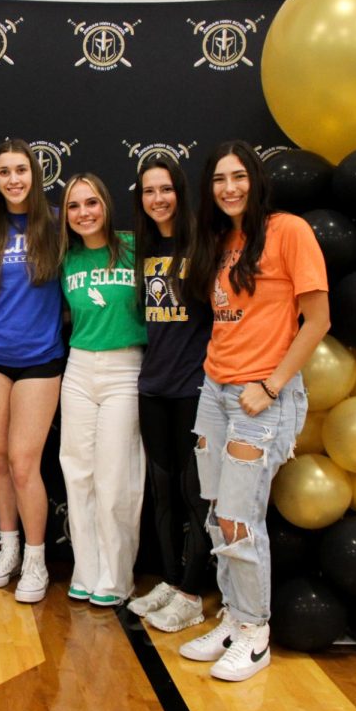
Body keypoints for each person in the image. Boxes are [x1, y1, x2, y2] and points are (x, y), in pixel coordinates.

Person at [178, 140, 329, 682]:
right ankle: (232, 618)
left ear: (256, 180)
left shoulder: (288, 230)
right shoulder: (223, 239)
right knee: (219, 514)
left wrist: (271, 385)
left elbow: (317, 320)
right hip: (215, 391)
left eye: (238, 177)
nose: (229, 188)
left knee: (242, 518)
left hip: (259, 397)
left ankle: (255, 632)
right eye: (219, 180)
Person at [125, 156, 214, 633]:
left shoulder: (205, 244)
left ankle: (192, 593)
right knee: (161, 491)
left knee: (194, 492)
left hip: (194, 388)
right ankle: (170, 579)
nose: (157, 199)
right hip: (152, 385)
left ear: (180, 191)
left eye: (165, 189)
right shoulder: (142, 247)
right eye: (147, 191)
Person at [0, 139, 64, 603]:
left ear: (35, 174)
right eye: (4, 171)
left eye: (21, 170)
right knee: (1, 459)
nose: (13, 179)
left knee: (26, 463)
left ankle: (35, 558)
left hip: (40, 361)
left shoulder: (54, 220)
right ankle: (7, 548)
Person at [57, 173, 147, 608]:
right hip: (78, 367)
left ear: (106, 206)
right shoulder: (66, 258)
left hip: (125, 367)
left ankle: (117, 576)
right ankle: (86, 571)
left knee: (116, 477)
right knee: (78, 472)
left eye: (91, 203)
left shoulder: (133, 247)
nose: (83, 213)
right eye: (74, 206)